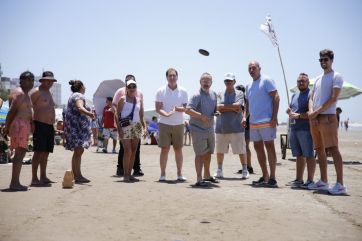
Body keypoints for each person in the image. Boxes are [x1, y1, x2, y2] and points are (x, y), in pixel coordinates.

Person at [308, 49, 346, 195]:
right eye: (321, 60)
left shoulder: (336, 76)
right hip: (316, 119)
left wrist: (317, 111)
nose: (323, 62)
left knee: (333, 149)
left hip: (328, 117)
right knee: (319, 150)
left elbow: (333, 98)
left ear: (331, 60)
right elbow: (312, 97)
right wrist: (312, 112)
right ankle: (323, 181)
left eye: (326, 59)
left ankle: (340, 184)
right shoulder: (317, 78)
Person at [244, 61, 279, 188]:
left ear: (259, 68)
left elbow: (276, 97)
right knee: (258, 148)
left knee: (269, 147)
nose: (251, 70)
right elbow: (248, 103)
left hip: (267, 121)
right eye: (249, 68)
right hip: (253, 122)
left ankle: (273, 178)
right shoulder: (248, 85)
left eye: (254, 68)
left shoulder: (267, 80)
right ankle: (265, 176)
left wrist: (274, 117)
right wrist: (244, 117)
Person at [155, 68, 188, 182]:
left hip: (179, 123)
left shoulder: (183, 91)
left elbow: (186, 108)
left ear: (177, 77)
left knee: (178, 149)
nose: (172, 77)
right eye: (170, 76)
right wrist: (167, 114)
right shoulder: (160, 91)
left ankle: (179, 174)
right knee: (164, 149)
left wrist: (176, 109)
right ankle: (163, 174)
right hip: (164, 123)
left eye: (174, 75)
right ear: (167, 77)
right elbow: (158, 108)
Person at [214, 73, 249, 179]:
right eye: (226, 81)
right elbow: (217, 107)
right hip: (221, 127)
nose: (228, 82)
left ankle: (244, 170)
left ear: (234, 82)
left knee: (241, 150)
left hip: (236, 128)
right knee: (220, 150)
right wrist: (232, 108)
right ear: (224, 82)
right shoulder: (219, 93)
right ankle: (219, 170)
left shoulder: (239, 93)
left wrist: (225, 107)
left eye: (230, 81)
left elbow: (238, 106)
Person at [185, 73, 218, 186]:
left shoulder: (214, 94)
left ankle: (207, 176)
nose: (206, 82)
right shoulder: (196, 95)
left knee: (208, 152)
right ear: (200, 82)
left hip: (210, 129)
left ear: (211, 83)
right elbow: (188, 110)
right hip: (197, 129)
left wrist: (216, 112)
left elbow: (214, 109)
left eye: (208, 81)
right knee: (199, 154)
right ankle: (199, 179)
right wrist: (201, 116)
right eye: (204, 80)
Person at [4, 71, 34, 191]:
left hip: (23, 125)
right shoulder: (19, 93)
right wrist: (6, 127)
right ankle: (14, 183)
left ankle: (15, 182)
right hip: (19, 124)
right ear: (21, 80)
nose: (31, 82)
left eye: (32, 79)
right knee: (19, 153)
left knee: (21, 153)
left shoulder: (25, 94)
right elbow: (11, 111)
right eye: (28, 79)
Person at [286, 73, 316, 188]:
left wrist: (298, 116)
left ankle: (310, 180)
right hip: (294, 129)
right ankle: (299, 179)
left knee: (309, 154)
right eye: (299, 81)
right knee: (298, 155)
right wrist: (289, 111)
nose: (301, 83)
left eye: (303, 81)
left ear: (308, 83)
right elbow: (292, 109)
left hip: (306, 129)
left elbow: (310, 113)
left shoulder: (311, 94)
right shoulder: (295, 95)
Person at [113, 74, 145, 176]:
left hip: (136, 126)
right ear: (126, 88)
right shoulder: (122, 98)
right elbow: (116, 114)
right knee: (127, 150)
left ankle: (129, 174)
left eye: (133, 86)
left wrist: (145, 127)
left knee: (134, 151)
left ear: (136, 87)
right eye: (129, 86)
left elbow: (141, 114)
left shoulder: (139, 99)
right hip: (125, 126)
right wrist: (119, 129)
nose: (132, 88)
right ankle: (125, 174)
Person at [64, 80, 95, 183]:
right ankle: (78, 176)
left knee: (78, 151)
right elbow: (79, 107)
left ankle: (75, 174)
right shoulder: (79, 96)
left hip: (73, 127)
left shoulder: (72, 95)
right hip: (77, 128)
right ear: (81, 87)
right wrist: (89, 113)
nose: (85, 88)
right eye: (84, 86)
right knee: (79, 150)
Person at [30, 71, 57, 185]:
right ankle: (34, 178)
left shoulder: (49, 92)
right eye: (48, 80)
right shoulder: (36, 91)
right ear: (42, 80)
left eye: (51, 81)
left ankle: (43, 176)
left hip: (49, 126)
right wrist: (31, 123)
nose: (50, 82)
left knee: (46, 152)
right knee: (38, 152)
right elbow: (29, 106)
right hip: (39, 124)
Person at [235, 85, 254, 174]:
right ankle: (246, 166)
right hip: (244, 126)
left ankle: (248, 167)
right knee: (243, 147)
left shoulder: (245, 100)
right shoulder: (240, 100)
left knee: (245, 146)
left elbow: (248, 112)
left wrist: (243, 120)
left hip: (245, 126)